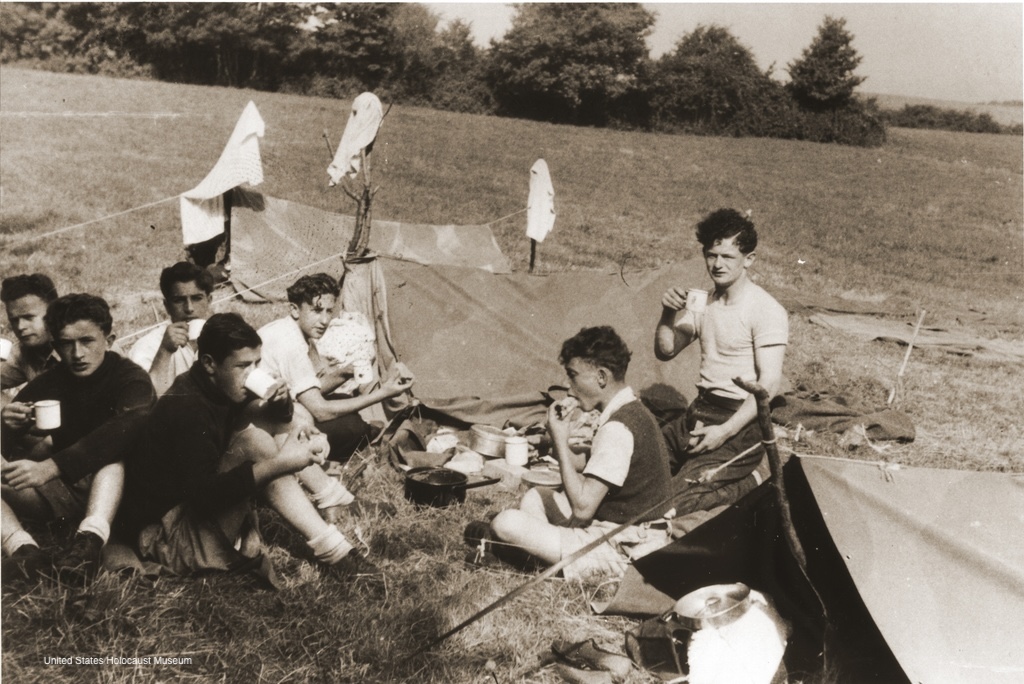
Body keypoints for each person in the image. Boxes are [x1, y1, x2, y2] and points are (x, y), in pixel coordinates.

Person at [118, 313, 371, 583]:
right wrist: (281, 464)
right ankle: (333, 549)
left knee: (265, 416)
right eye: (243, 366)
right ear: (209, 363)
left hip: (187, 518)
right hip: (170, 539)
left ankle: (331, 501)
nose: (253, 374)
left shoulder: (217, 385)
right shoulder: (188, 408)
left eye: (256, 364)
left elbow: (276, 418)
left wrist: (282, 404)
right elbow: (205, 496)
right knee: (256, 442)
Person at [470, 326, 674, 580]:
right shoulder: (632, 409)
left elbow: (582, 509)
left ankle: (526, 557)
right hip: (630, 532)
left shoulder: (618, 428)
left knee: (506, 522)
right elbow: (587, 463)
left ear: (601, 377)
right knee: (537, 496)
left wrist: (559, 436)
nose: (568, 386)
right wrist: (557, 441)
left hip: (625, 549)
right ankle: (539, 554)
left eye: (573, 375)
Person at [1, 294, 156, 585]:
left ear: (109, 339)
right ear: (55, 345)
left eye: (87, 341)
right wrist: (8, 425)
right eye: (65, 344)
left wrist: (49, 467)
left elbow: (128, 427)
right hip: (67, 493)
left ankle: (88, 543)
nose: (77, 353)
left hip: (126, 495)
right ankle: (24, 551)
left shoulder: (130, 378)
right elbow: (6, 443)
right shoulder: (53, 380)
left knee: (112, 458)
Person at [654, 209, 788, 514]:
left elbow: (768, 385)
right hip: (698, 413)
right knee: (634, 471)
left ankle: (749, 482)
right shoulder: (705, 302)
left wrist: (724, 432)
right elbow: (666, 350)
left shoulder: (765, 309)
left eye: (727, 256)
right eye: (711, 255)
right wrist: (667, 312)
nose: (717, 264)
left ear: (749, 259)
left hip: (741, 424)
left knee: (668, 505)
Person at [257, 273, 413, 462]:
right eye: (317, 310)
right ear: (295, 310)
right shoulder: (291, 345)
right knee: (353, 428)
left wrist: (347, 371)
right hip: (267, 427)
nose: (324, 321)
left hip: (275, 411)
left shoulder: (286, 329)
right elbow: (320, 411)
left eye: (329, 311)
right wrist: (384, 393)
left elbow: (307, 389)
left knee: (342, 400)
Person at [128, 262, 214, 396]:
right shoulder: (147, 346)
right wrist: (164, 351)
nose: (189, 308)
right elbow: (144, 401)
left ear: (209, 300)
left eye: (197, 298)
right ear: (167, 306)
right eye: (179, 300)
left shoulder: (222, 337)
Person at [1, 274, 61, 397]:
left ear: (53, 312)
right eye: (14, 320)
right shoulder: (24, 351)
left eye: (28, 317)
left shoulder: (77, 345)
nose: (20, 327)